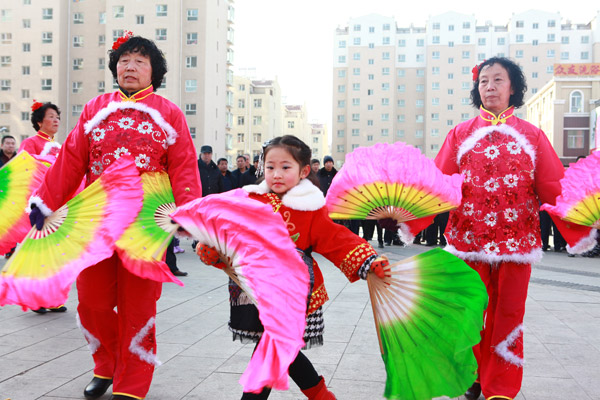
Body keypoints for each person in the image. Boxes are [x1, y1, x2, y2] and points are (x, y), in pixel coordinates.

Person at [397, 57, 597, 400]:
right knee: (470, 312)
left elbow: (553, 186)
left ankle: (500, 387)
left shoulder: (533, 136)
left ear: (513, 87)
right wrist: (406, 217)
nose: (489, 87)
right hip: (468, 239)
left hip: (517, 243)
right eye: (484, 81)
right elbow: (437, 184)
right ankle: (472, 375)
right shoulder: (460, 134)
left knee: (509, 314)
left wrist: (585, 219)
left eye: (498, 80)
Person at [27, 34, 201, 400]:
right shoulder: (95, 108)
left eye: (139, 61)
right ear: (115, 68)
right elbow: (71, 159)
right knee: (91, 301)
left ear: (154, 71)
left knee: (139, 304)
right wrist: (45, 202)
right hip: (97, 218)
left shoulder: (169, 113)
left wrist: (188, 213)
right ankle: (106, 365)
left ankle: (131, 384)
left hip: (146, 223)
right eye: (124, 61)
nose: (130, 67)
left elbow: (184, 165)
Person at [196, 135, 389, 400]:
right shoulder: (250, 200)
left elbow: (335, 238)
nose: (276, 174)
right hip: (255, 289)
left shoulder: (310, 207)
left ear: (304, 170)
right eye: (270, 166)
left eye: (285, 167)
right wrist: (213, 249)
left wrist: (367, 260)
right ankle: (322, 396)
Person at [20, 101, 66, 313]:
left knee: (55, 253)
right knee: (39, 252)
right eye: (51, 117)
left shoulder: (60, 146)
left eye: (57, 117)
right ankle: (34, 299)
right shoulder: (31, 143)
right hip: (38, 206)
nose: (56, 120)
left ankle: (53, 298)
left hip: (58, 206)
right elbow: (25, 171)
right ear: (39, 122)